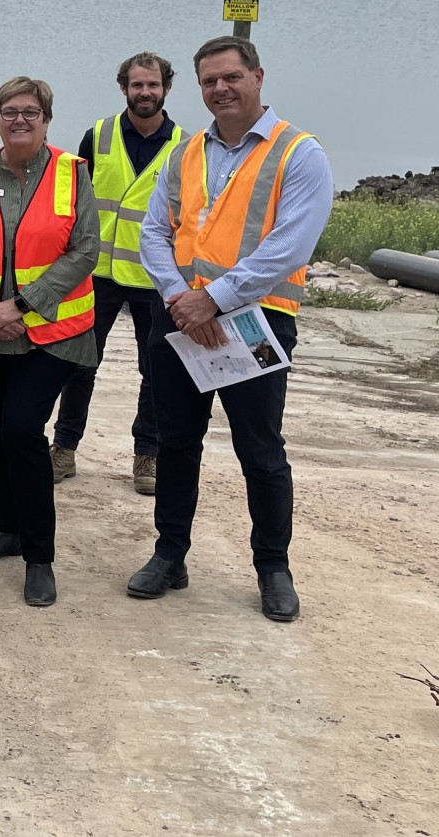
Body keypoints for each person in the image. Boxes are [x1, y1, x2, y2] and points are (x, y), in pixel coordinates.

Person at [129, 36, 333, 623]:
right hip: (180, 316)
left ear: (258, 77)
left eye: (230, 78)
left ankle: (273, 568)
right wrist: (178, 296)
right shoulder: (187, 151)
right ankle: (170, 554)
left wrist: (213, 301)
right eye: (209, 81)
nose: (220, 89)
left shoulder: (300, 153)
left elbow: (289, 244)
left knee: (260, 450)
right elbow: (154, 232)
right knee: (176, 441)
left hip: (257, 319)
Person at [0, 77, 98, 608]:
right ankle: (8, 529)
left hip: (50, 333)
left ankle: (40, 556)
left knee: (23, 430)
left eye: (30, 112)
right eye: (9, 111)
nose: (19, 120)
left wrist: (22, 306)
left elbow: (83, 252)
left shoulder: (73, 173)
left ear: (47, 119)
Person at [52, 52, 184, 495]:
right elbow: (76, 199)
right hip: (98, 272)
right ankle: (64, 447)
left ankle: (148, 454)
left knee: (156, 370)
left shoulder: (186, 145)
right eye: (136, 85)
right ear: (123, 87)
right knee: (79, 363)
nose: (144, 93)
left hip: (155, 276)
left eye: (152, 85)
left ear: (166, 88)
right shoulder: (99, 135)